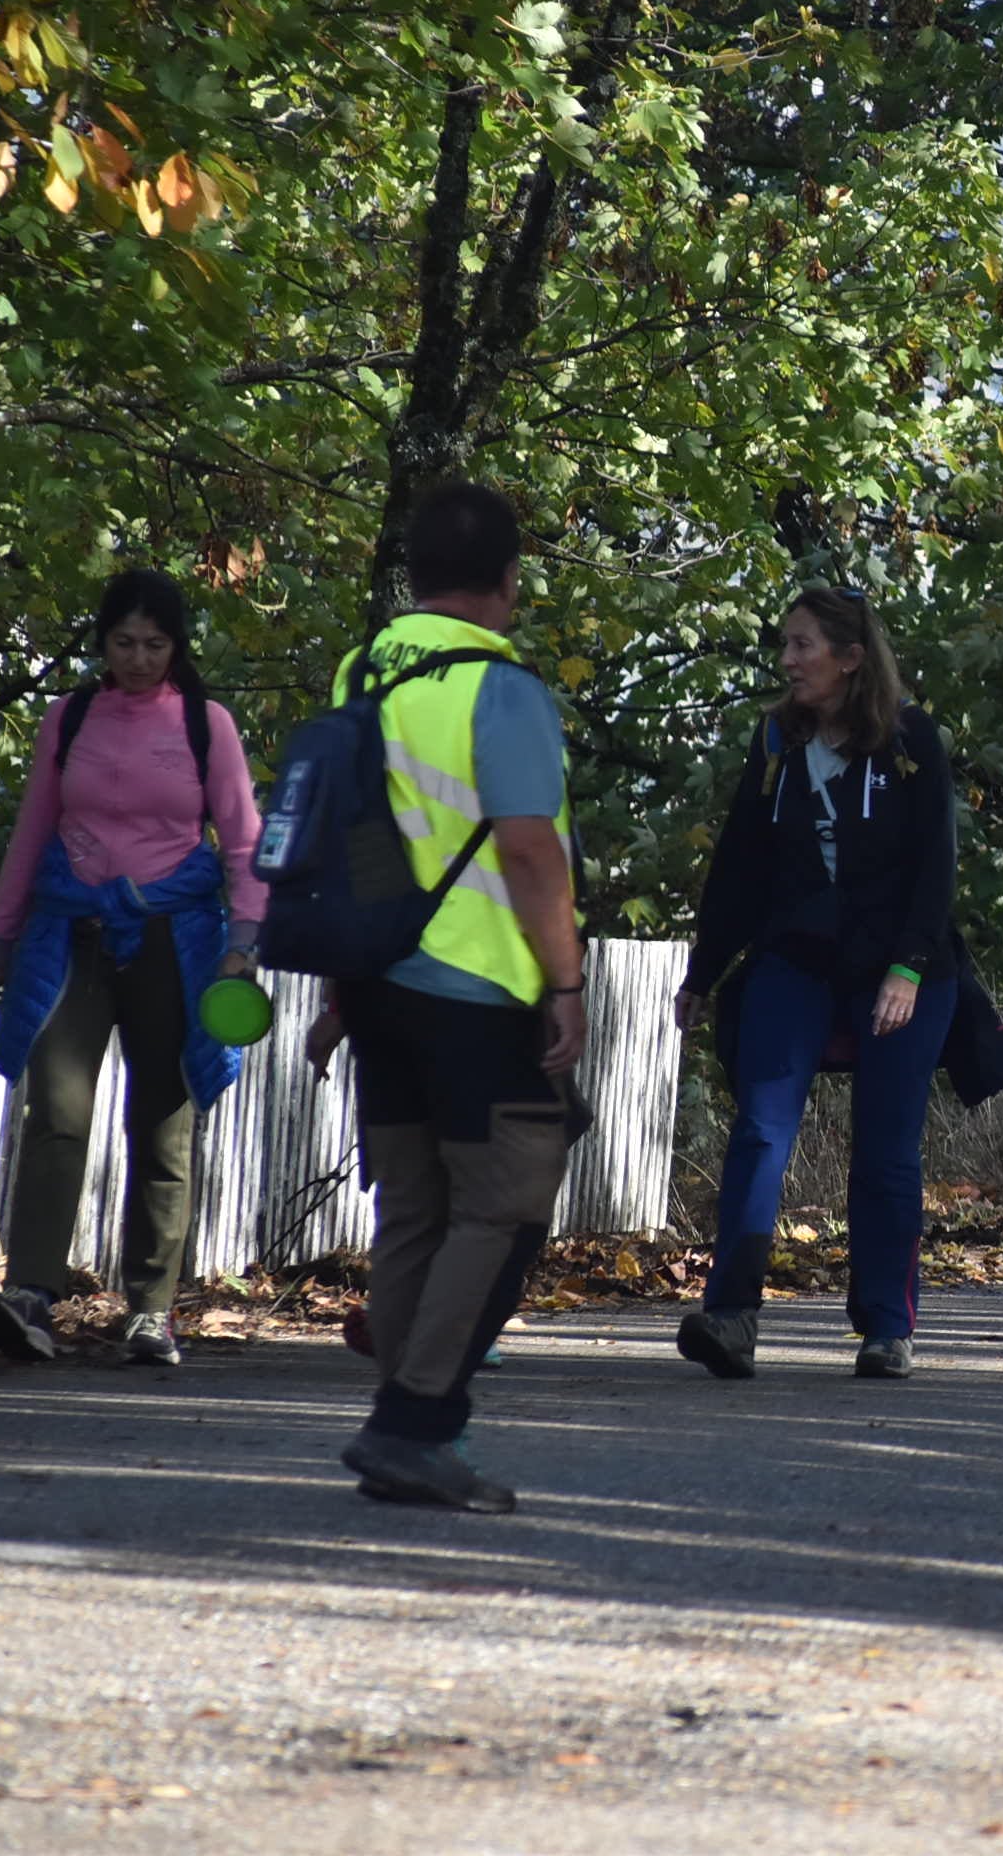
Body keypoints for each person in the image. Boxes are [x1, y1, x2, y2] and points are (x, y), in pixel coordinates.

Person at [329, 482, 585, 1512]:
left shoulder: (363, 668)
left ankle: (405, 1415)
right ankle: (414, 1422)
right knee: (507, 1206)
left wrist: (354, 979)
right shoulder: (501, 687)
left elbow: (354, 829)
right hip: (481, 981)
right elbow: (529, 847)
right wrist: (564, 980)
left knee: (411, 1211)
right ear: (507, 583)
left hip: (380, 978)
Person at [0, 570, 264, 1369]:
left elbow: (243, 844)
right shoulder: (68, 720)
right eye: (125, 643)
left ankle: (151, 1310)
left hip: (176, 939)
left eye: (156, 644)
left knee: (163, 1118)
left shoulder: (208, 727)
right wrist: (0, 937)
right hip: (71, 935)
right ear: (101, 642)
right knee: (57, 1112)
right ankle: (31, 1292)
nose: (139, 659)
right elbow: (33, 829)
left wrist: (243, 944)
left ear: (177, 648)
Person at [674, 588, 961, 1381]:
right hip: (796, 959)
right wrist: (704, 970)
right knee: (763, 1128)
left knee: (886, 1149)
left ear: (851, 658)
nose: (788, 660)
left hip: (903, 967)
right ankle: (730, 1315)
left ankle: (886, 1326)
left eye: (803, 645)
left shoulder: (912, 741)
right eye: (786, 644)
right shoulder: (776, 740)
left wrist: (906, 970)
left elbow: (936, 868)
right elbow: (739, 864)